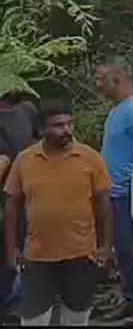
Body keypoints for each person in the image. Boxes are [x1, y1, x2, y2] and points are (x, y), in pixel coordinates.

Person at [4, 104, 113, 326]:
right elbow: (12, 204)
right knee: (33, 319)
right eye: (58, 125)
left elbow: (104, 204)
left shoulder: (89, 157)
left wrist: (106, 245)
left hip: (81, 253)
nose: (66, 130)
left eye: (69, 124)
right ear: (42, 130)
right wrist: (11, 248)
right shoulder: (25, 160)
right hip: (37, 255)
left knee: (76, 317)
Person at [94, 58, 133, 323]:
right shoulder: (119, 109)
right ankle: (131, 299)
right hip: (115, 193)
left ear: (117, 80)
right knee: (123, 251)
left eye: (101, 79)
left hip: (130, 192)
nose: (97, 85)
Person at [0, 85, 40, 318]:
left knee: (13, 251)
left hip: (15, 195)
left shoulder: (27, 111)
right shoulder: (28, 110)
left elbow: (3, 160)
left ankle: (13, 305)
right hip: (28, 191)